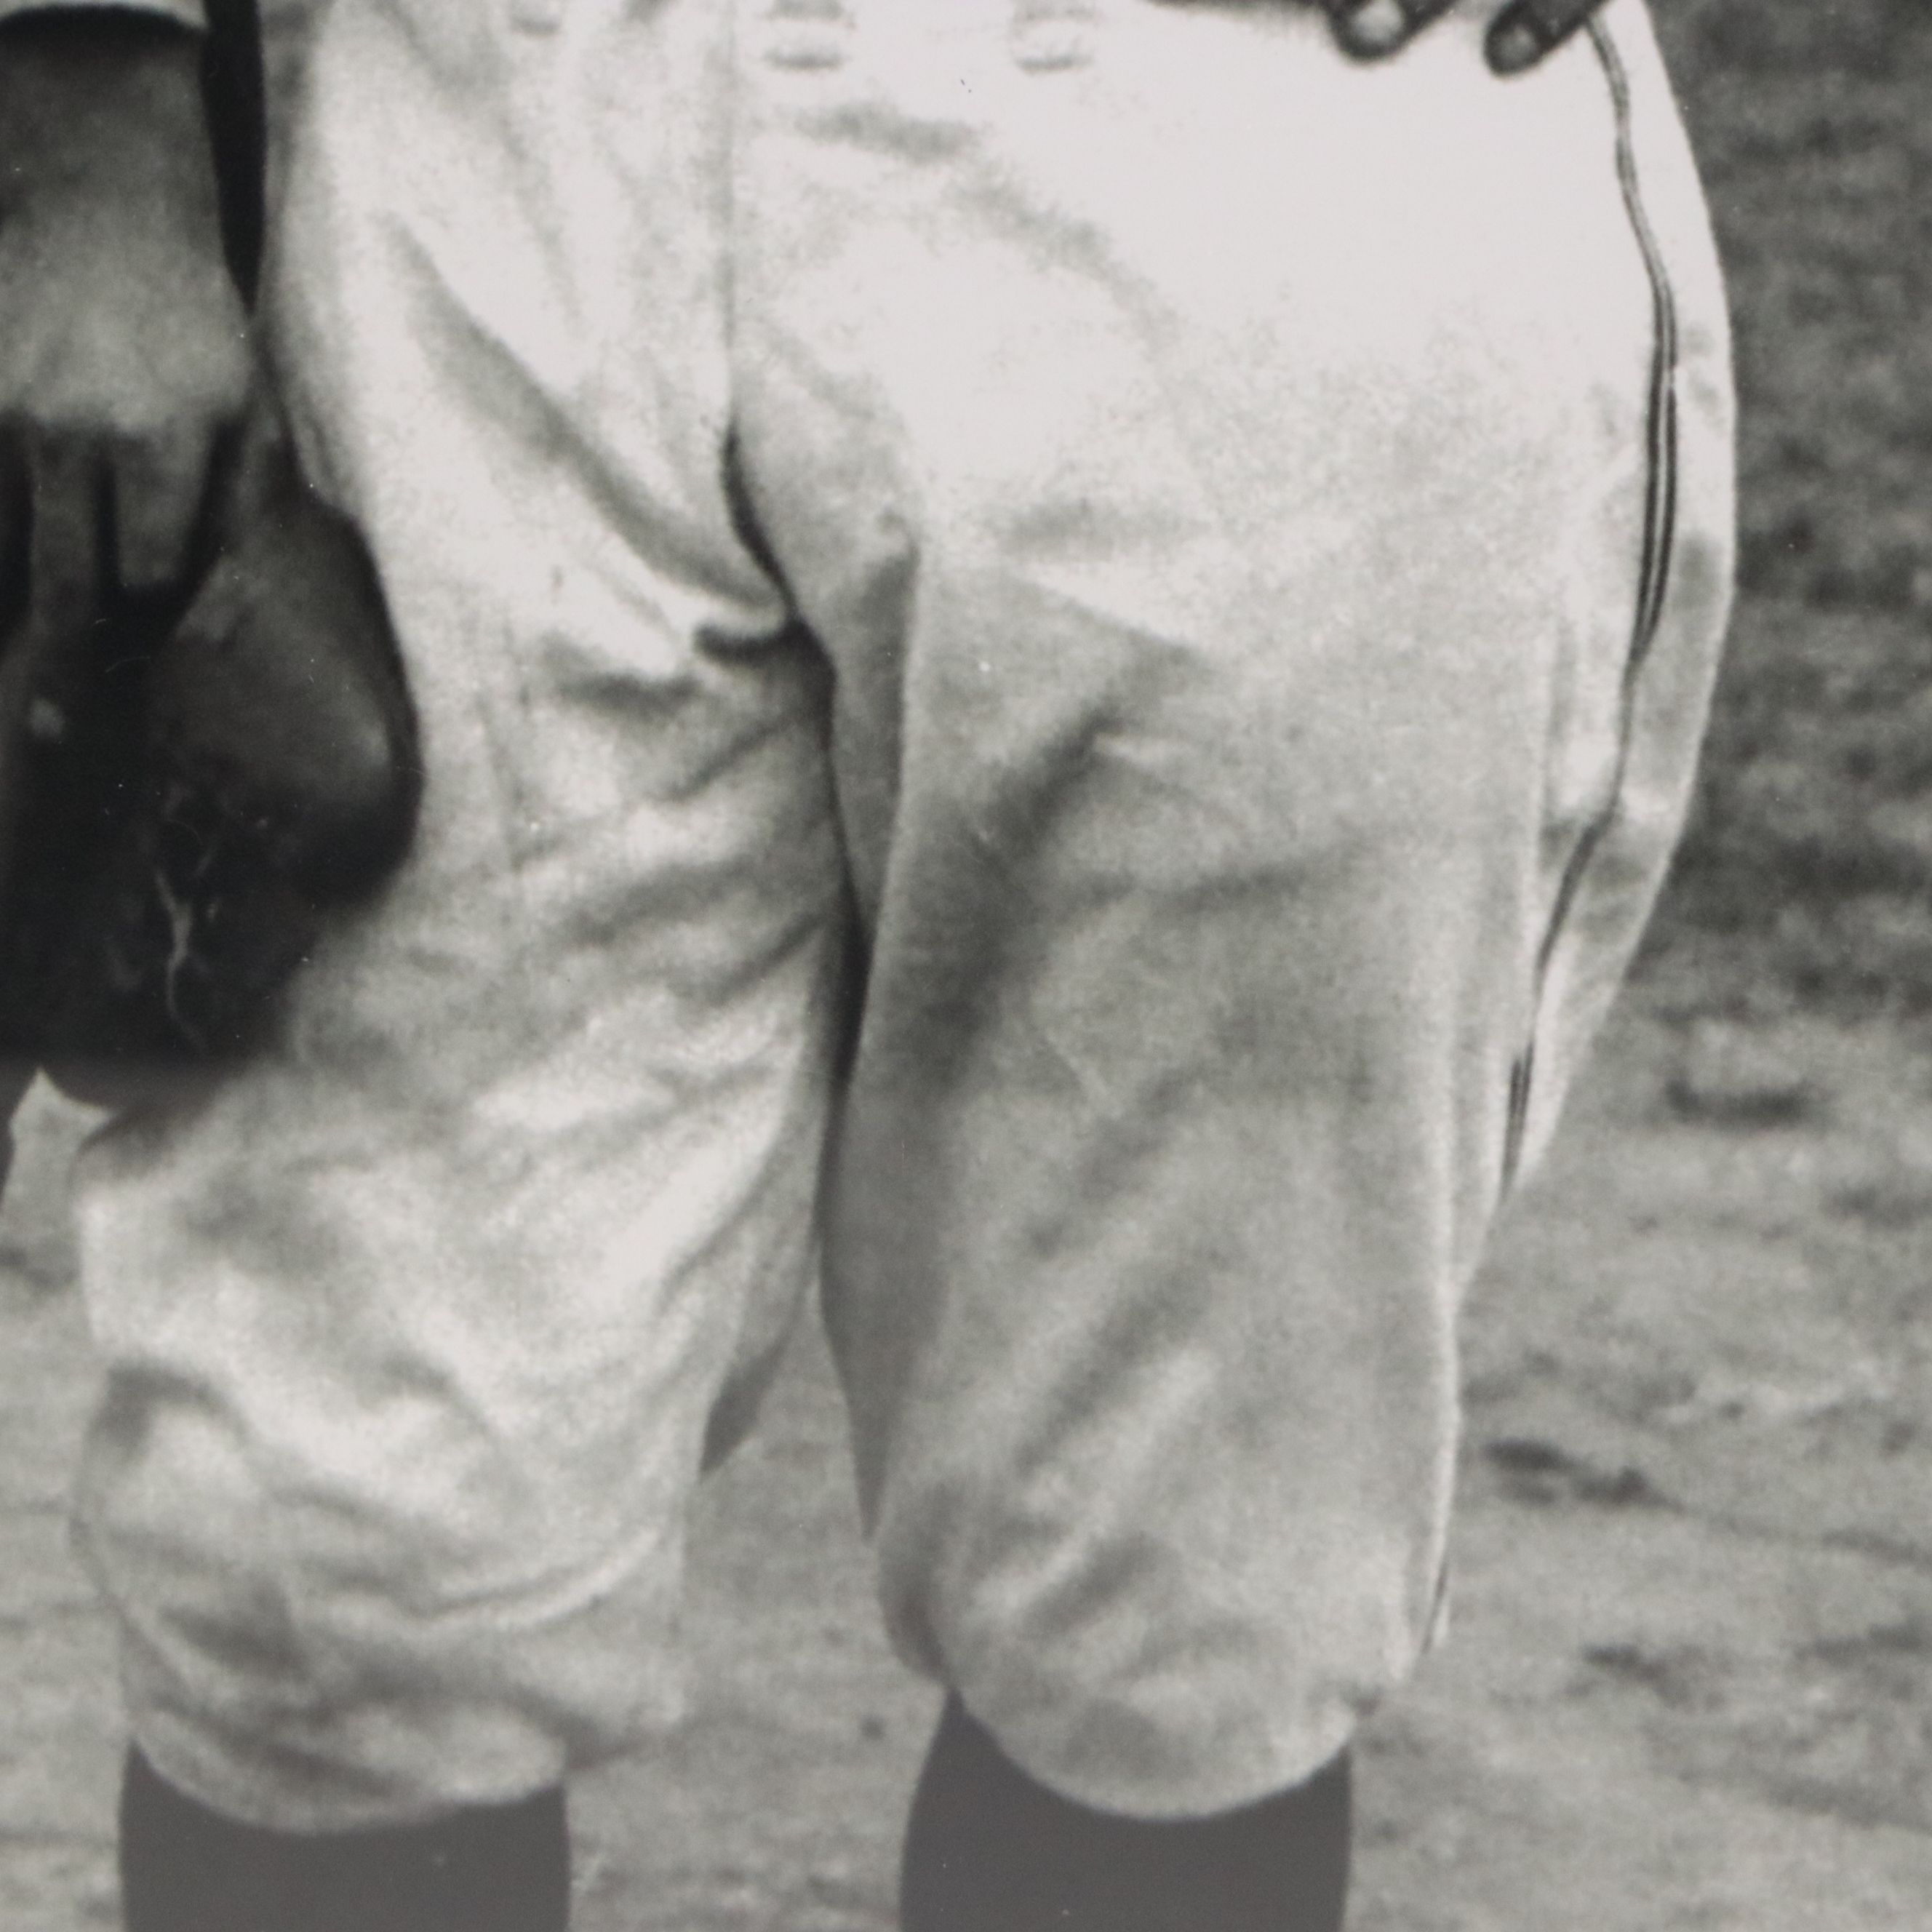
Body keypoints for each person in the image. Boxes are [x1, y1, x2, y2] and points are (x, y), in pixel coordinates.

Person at [0, 1, 1733, 1928]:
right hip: (474, 130)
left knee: (1173, 1582)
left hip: (1258, 152)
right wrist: (86, 90)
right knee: (326, 1567)